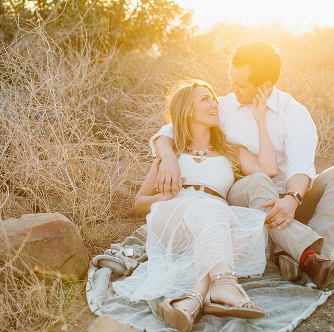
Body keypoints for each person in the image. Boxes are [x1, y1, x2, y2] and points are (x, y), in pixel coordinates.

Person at [150, 41, 334, 289]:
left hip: (289, 199)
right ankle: (309, 259)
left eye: (239, 84)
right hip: (244, 196)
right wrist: (169, 156)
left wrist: (291, 200)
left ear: (265, 85)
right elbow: (173, 128)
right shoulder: (225, 107)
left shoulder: (294, 114)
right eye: (231, 80)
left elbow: (300, 165)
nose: (231, 88)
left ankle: (297, 253)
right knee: (259, 181)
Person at [115, 80, 278, 332]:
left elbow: (268, 170)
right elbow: (139, 204)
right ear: (188, 110)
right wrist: (164, 197)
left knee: (231, 226)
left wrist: (260, 119)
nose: (214, 104)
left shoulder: (231, 152)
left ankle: (192, 301)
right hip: (174, 215)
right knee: (214, 213)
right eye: (205, 99)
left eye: (214, 99)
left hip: (214, 219)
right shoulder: (170, 156)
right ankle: (223, 284)